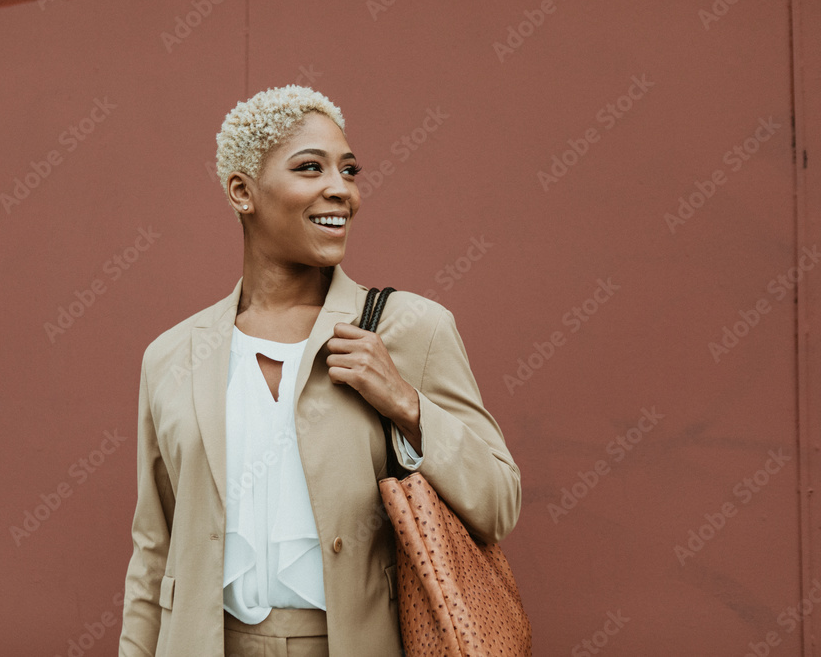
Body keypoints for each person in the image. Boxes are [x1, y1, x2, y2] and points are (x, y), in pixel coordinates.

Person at [118, 85, 522, 657]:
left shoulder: (409, 328)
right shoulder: (172, 355)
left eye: (349, 170)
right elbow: (153, 549)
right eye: (311, 168)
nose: (341, 189)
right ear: (242, 191)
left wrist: (406, 404)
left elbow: (498, 502)